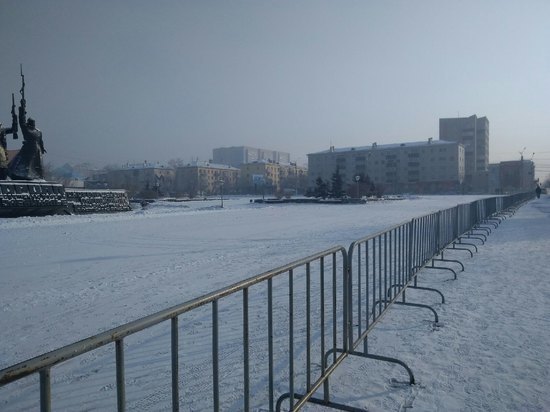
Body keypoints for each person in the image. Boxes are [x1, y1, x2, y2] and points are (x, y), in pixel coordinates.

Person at [7, 99, 46, 180]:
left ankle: (22, 174)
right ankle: (36, 176)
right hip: (36, 150)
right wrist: (42, 148)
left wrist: (22, 108)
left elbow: (22, 121)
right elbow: (41, 142)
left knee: (21, 163)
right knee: (34, 165)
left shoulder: (27, 130)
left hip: (28, 149)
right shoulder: (38, 131)